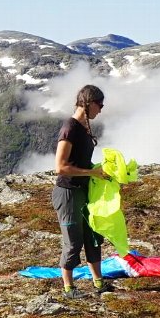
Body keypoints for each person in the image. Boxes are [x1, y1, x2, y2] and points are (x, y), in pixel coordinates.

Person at [52, 84, 113, 298]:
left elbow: (81, 161)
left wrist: (97, 171)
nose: (101, 109)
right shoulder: (70, 127)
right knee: (73, 241)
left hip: (84, 190)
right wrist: (92, 172)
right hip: (68, 192)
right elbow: (60, 167)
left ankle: (99, 283)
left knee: (92, 235)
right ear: (89, 103)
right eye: (100, 104)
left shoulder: (83, 127)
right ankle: (69, 289)